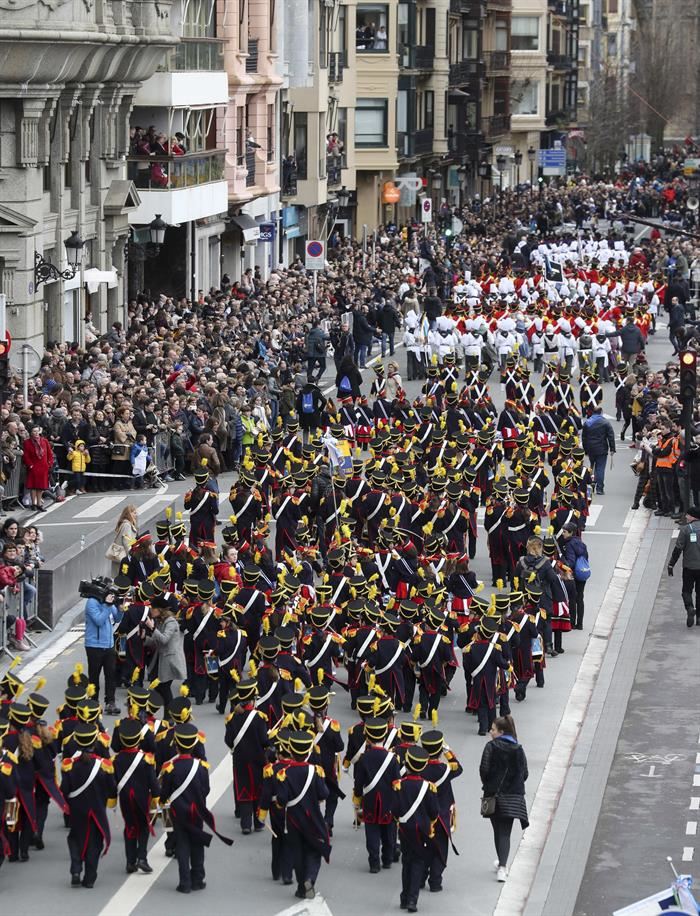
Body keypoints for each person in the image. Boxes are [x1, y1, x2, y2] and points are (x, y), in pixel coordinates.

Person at [60, 721, 117, 888]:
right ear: (94, 742)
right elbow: (111, 788)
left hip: (77, 808)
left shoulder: (69, 765)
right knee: (95, 842)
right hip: (97, 808)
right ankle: (90, 877)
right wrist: (111, 801)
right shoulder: (104, 765)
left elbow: (65, 789)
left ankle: (76, 868)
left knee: (75, 838)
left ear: (77, 742)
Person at [479, 715, 529, 883]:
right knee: (505, 832)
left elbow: (484, 769)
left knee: (497, 829)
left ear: (501, 732)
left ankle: (501, 864)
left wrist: (489, 784)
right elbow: (525, 774)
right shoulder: (518, 748)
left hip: (494, 795)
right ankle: (502, 865)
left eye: (493, 729)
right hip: (514, 797)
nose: (490, 732)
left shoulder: (491, 747)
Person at [391, 744, 440, 913]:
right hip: (423, 831)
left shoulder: (399, 785)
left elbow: (395, 810)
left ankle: (404, 898)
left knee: (407, 862)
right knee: (419, 863)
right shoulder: (429, 787)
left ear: (407, 764)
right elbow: (434, 812)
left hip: (405, 830)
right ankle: (412, 899)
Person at [84, 583, 123, 715]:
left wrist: (121, 609)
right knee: (94, 676)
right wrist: (107, 605)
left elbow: (116, 618)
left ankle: (110, 702)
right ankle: (93, 702)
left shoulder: (108, 603)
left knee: (110, 675)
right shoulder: (91, 603)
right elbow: (99, 620)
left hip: (109, 645)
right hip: (94, 645)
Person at [143, 599, 187, 710]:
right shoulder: (160, 621)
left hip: (171, 660)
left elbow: (164, 639)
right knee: (161, 688)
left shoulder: (171, 622)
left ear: (159, 610)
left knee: (164, 688)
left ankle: (170, 714)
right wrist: (144, 638)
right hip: (162, 659)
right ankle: (169, 714)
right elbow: (155, 641)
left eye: (152, 609)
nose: (151, 611)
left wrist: (152, 628)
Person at [667, 504, 700, 627]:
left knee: (686, 591)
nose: (686, 517)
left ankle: (690, 608)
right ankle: (699, 618)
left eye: (688, 515)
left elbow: (678, 549)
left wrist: (671, 565)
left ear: (693, 517)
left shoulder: (686, 530)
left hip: (689, 567)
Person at [560, 522, 589, 630]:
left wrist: (562, 559)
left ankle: (572, 622)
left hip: (574, 574)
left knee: (572, 598)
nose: (563, 534)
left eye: (564, 532)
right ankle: (580, 623)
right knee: (580, 598)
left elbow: (570, 563)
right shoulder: (581, 543)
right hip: (582, 572)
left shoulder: (569, 544)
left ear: (570, 532)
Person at [582, 406, 616, 496]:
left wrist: (585, 450)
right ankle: (599, 488)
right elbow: (611, 436)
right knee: (600, 468)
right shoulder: (605, 422)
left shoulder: (587, 422)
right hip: (601, 448)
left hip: (590, 448)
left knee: (591, 466)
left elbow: (584, 438)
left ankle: (591, 483)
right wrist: (612, 449)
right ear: (601, 412)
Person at [22, 425, 54, 512]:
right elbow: (26, 455)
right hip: (34, 466)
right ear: (31, 433)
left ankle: (39, 504)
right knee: (33, 486)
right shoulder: (27, 442)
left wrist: (49, 463)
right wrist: (30, 465)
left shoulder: (45, 441)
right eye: (34, 431)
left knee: (40, 487)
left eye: (37, 431)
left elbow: (49, 453)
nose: (36, 433)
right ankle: (34, 504)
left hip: (43, 466)